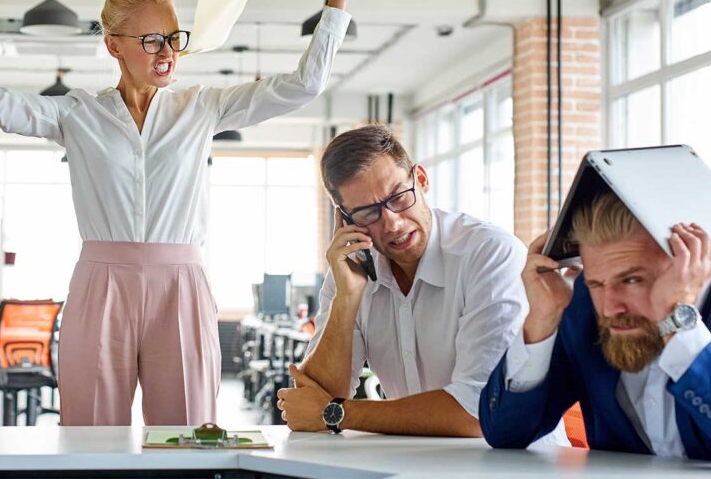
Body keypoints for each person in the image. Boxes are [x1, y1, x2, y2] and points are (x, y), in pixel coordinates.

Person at [0, 0, 377, 426]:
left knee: (185, 434)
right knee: (89, 432)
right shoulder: (77, 113)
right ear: (113, 45)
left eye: (173, 39)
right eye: (152, 40)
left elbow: (304, 85)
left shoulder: (201, 108)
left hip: (181, 283)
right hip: (100, 282)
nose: (168, 52)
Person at [277, 125, 566, 443]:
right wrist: (345, 300)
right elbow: (311, 401)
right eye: (368, 213)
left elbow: (479, 412)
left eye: (398, 197)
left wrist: (337, 413)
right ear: (346, 220)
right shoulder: (350, 270)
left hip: (517, 462)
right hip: (418, 461)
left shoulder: (490, 253)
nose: (392, 223)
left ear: (422, 179)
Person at [480, 191, 711, 459]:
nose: (609, 308)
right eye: (595, 283)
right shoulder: (581, 307)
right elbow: (505, 433)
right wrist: (541, 319)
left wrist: (677, 320)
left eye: (631, 280)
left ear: (688, 264)